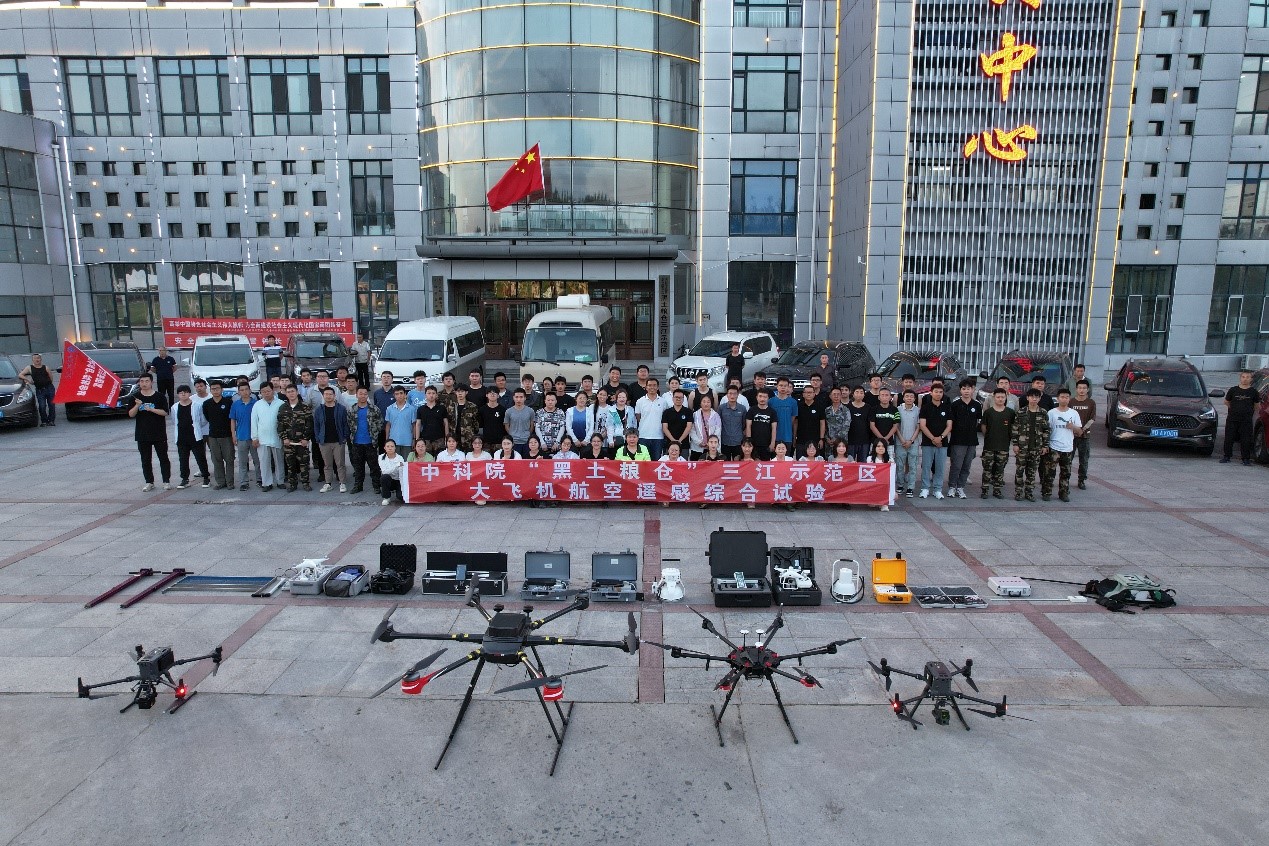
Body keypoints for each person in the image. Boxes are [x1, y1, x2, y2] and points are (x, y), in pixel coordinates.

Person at [129, 374, 171, 491]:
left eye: (146, 381)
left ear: (151, 382)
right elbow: (131, 414)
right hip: (142, 434)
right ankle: (149, 482)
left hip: (158, 433)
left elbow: (165, 412)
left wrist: (152, 409)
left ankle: (166, 481)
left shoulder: (159, 396)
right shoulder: (135, 397)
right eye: (142, 381)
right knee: (145, 459)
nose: (144, 383)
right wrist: (137, 405)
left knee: (163, 458)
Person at [1043, 388, 1083, 502]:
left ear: (1069, 399)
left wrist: (1073, 427)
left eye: (1066, 397)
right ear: (1058, 398)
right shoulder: (1051, 413)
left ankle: (1064, 493)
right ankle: (1046, 492)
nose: (1064, 399)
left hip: (1068, 448)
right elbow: (1046, 430)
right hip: (1054, 446)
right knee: (1049, 472)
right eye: (1062, 397)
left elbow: (1080, 432)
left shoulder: (1074, 413)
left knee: (1066, 473)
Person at [946, 379, 983, 499]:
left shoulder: (976, 405)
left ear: (973, 390)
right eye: (964, 389)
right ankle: (952, 486)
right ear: (960, 390)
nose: (966, 391)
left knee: (966, 465)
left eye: (969, 388)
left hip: (971, 441)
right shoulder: (955, 405)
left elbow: (978, 421)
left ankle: (960, 487)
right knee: (956, 465)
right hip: (958, 440)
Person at [1012, 388, 1050, 502]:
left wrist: (1045, 445)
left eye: (1036, 397)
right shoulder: (1021, 412)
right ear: (1027, 398)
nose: (1034, 399)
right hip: (1022, 447)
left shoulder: (1043, 412)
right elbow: (1015, 429)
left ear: (1039, 398)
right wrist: (1015, 444)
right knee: (1019, 471)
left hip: (1036, 447)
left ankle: (1029, 493)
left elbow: (1046, 430)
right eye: (1032, 397)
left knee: (1032, 472)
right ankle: (1018, 492)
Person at [170, 385, 210, 489]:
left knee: (200, 458)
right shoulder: (174, 407)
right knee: (183, 459)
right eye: (180, 393)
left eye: (185, 392)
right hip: (181, 437)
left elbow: (203, 420)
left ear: (189, 393)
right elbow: (174, 421)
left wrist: (197, 427)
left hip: (195, 437)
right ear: (178, 394)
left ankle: (206, 477)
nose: (183, 394)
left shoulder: (197, 405)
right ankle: (184, 479)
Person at [979, 388, 1016, 500]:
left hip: (1003, 446)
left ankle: (997, 490)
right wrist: (988, 436)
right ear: (994, 398)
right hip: (989, 446)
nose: (1000, 399)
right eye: (998, 397)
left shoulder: (1010, 413)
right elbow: (983, 427)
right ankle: (985, 490)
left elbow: (1013, 427)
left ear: (1006, 398)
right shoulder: (988, 412)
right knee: (987, 469)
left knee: (1000, 470)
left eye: (1002, 397)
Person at [199, 380, 235, 490]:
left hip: (227, 436)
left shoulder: (228, 402)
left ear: (222, 390)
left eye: (217, 388)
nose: (215, 391)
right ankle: (220, 482)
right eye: (213, 389)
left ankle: (230, 482)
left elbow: (232, 419)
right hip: (213, 436)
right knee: (216, 460)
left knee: (229, 459)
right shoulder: (207, 404)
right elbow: (207, 418)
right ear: (210, 390)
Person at [277, 384, 314, 492]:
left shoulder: (305, 407)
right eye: (288, 392)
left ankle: (306, 483)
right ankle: (292, 484)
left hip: (302, 442)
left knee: (304, 464)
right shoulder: (283, 408)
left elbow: (309, 424)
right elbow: (280, 425)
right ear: (286, 394)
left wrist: (306, 438)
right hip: (289, 442)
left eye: (293, 391)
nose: (291, 394)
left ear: (297, 392)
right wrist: (284, 438)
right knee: (290, 464)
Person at [917, 382, 951, 499]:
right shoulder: (925, 408)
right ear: (931, 393)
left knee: (940, 467)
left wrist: (940, 438)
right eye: (936, 392)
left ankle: (937, 489)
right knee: (926, 466)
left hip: (942, 443)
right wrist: (933, 438)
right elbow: (922, 425)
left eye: (940, 392)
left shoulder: (947, 408)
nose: (938, 394)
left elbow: (949, 426)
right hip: (928, 442)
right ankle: (925, 488)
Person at [313, 386, 349, 493]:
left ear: (334, 396)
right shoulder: (319, 410)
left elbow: (345, 424)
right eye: (326, 394)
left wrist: (344, 437)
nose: (328, 396)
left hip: (338, 441)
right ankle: (328, 483)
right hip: (324, 441)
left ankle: (342, 483)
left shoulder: (341, 409)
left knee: (340, 464)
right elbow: (316, 426)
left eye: (330, 394)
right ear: (323, 396)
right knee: (327, 464)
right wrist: (318, 438)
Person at [348, 386, 383, 495]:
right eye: (360, 393)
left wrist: (374, 433)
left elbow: (380, 423)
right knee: (358, 467)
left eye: (365, 394)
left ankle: (376, 486)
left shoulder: (374, 409)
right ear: (356, 395)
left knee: (374, 467)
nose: (363, 396)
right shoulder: (352, 409)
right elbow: (349, 423)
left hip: (370, 443)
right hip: (356, 443)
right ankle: (358, 486)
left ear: (367, 395)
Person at [250, 383, 285, 492]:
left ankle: (280, 481)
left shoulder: (281, 403)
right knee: (264, 462)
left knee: (279, 461)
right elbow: (254, 422)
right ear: (260, 393)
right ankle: (266, 483)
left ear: (273, 390)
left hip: (277, 437)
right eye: (263, 392)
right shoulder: (257, 405)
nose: (266, 393)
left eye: (268, 391)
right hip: (262, 439)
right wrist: (254, 437)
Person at [1222, 369, 1260, 466]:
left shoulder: (1253, 392)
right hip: (1232, 419)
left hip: (1246, 420)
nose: (1245, 379)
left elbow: (1257, 405)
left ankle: (1246, 459)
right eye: (1243, 377)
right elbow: (1226, 402)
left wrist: (1248, 411)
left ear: (1251, 379)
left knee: (1246, 439)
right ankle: (1227, 456)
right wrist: (1234, 409)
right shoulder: (1233, 390)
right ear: (1240, 378)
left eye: (1247, 377)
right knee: (1229, 438)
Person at [229, 381, 259, 491]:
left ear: (250, 391)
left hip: (254, 437)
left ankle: (260, 479)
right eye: (242, 390)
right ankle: (244, 482)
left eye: (246, 389)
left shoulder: (256, 404)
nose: (244, 392)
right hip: (241, 436)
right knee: (242, 462)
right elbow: (233, 420)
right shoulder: (235, 404)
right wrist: (233, 435)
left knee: (257, 460)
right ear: (238, 392)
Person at [1069, 379, 1097, 488]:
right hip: (1071, 436)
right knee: (1068, 459)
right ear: (1076, 389)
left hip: (1085, 436)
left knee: (1084, 460)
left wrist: (1082, 429)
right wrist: (1075, 429)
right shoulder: (1071, 402)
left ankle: (1081, 480)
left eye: (1084, 388)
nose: (1082, 390)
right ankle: (1065, 478)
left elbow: (1092, 419)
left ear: (1088, 389)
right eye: (1080, 388)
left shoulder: (1091, 403)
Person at [894, 389, 920, 497]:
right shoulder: (898, 409)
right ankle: (900, 485)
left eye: (911, 396)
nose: (909, 398)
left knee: (913, 466)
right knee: (900, 466)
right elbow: (896, 426)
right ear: (903, 398)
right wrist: (902, 439)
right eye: (907, 396)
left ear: (914, 398)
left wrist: (911, 440)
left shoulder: (918, 410)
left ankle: (910, 487)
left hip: (913, 443)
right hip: (900, 442)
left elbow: (918, 427)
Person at [19, 352, 57, 426]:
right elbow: (20, 375)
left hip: (49, 388)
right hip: (40, 390)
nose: (37, 360)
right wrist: (28, 380)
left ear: (41, 359)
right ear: (32, 360)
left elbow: (51, 377)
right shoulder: (29, 368)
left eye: (38, 358)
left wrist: (47, 384)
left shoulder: (45, 367)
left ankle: (51, 420)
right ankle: (44, 421)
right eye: (35, 358)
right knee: (42, 406)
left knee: (51, 405)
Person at [634, 377, 667, 459]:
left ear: (658, 387)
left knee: (656, 461)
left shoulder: (663, 402)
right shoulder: (640, 401)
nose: (652, 387)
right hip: (643, 435)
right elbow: (638, 417)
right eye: (649, 385)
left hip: (658, 436)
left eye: (654, 385)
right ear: (646, 387)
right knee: (643, 460)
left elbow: (665, 418)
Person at [413, 384, 448, 455]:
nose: (431, 395)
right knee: (427, 459)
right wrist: (417, 440)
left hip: (439, 439)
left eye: (433, 393)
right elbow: (418, 424)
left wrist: (447, 438)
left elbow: (446, 423)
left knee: (440, 459)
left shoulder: (442, 408)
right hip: (425, 439)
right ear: (425, 395)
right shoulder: (421, 409)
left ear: (436, 395)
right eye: (429, 393)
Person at [768, 377, 798, 454]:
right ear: (777, 386)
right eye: (781, 385)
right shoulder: (770, 401)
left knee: (786, 459)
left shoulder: (793, 402)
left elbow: (793, 419)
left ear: (788, 387)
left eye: (785, 386)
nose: (783, 387)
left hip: (787, 437)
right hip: (774, 437)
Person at [794, 384, 825, 458]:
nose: (808, 394)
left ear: (814, 394)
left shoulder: (819, 406)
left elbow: (822, 423)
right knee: (800, 461)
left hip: (815, 440)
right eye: (806, 392)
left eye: (810, 392)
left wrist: (821, 439)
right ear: (803, 394)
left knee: (815, 462)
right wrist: (794, 437)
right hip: (801, 440)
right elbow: (796, 422)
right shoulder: (798, 406)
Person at [745, 389, 777, 459]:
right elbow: (748, 426)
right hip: (754, 444)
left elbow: (774, 428)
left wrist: (772, 443)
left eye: (765, 397)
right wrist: (749, 442)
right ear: (756, 397)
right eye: (760, 396)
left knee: (765, 464)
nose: (762, 399)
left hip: (767, 444)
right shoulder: (751, 410)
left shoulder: (772, 412)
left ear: (768, 398)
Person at [718, 385, 747, 459]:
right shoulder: (721, 408)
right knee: (725, 462)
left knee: (738, 462)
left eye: (734, 394)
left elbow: (744, 424)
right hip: (724, 441)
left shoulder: (742, 408)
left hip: (738, 441)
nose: (732, 396)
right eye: (730, 393)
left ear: (738, 395)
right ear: (727, 395)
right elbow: (718, 423)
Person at [449, 385, 481, 451]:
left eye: (462, 391)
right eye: (458, 391)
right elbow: (449, 421)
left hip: (468, 438)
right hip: (455, 437)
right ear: (455, 392)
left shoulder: (472, 406)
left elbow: (476, 423)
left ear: (466, 392)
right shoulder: (451, 406)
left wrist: (471, 433)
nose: (460, 393)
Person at [662, 389, 693, 456]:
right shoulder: (667, 412)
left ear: (683, 399)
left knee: (683, 462)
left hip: (684, 444)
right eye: (676, 397)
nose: (678, 399)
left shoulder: (688, 412)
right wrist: (673, 441)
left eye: (680, 397)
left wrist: (679, 440)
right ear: (672, 398)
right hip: (670, 444)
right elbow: (664, 428)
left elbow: (689, 427)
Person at [846, 386, 873, 461]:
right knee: (850, 462)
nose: (859, 394)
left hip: (865, 440)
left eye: (861, 392)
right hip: (851, 440)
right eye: (857, 392)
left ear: (864, 395)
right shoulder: (848, 407)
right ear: (853, 394)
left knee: (863, 462)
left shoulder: (868, 407)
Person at [505, 389, 534, 457]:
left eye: (521, 397)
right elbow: (506, 425)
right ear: (513, 398)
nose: (519, 399)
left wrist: (527, 434)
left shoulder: (530, 411)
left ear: (525, 398)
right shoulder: (508, 411)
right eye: (516, 397)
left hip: (526, 441)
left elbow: (532, 425)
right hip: (514, 442)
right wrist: (512, 434)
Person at [691, 393, 721, 459]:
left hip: (712, 448)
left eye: (708, 402)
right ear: (700, 403)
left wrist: (711, 443)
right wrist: (699, 442)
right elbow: (692, 430)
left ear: (711, 403)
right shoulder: (695, 415)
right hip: (697, 447)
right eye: (704, 402)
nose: (706, 404)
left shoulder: (716, 415)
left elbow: (718, 431)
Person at [867, 438, 893, 511]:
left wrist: (891, 465)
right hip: (873, 485)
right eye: (878, 446)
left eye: (883, 446)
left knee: (895, 495)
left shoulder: (890, 459)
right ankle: (878, 501)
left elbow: (891, 476)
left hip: (884, 484)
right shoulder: (870, 458)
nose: (881, 448)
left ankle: (883, 503)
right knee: (871, 504)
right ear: (875, 447)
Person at [378, 439, 406, 505]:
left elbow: (401, 472)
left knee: (400, 497)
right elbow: (384, 471)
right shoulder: (381, 457)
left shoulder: (400, 458)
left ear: (395, 447)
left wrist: (392, 469)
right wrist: (396, 466)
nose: (390, 448)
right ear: (384, 448)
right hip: (388, 480)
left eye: (392, 446)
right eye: (388, 446)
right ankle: (386, 497)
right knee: (384, 477)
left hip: (398, 480)